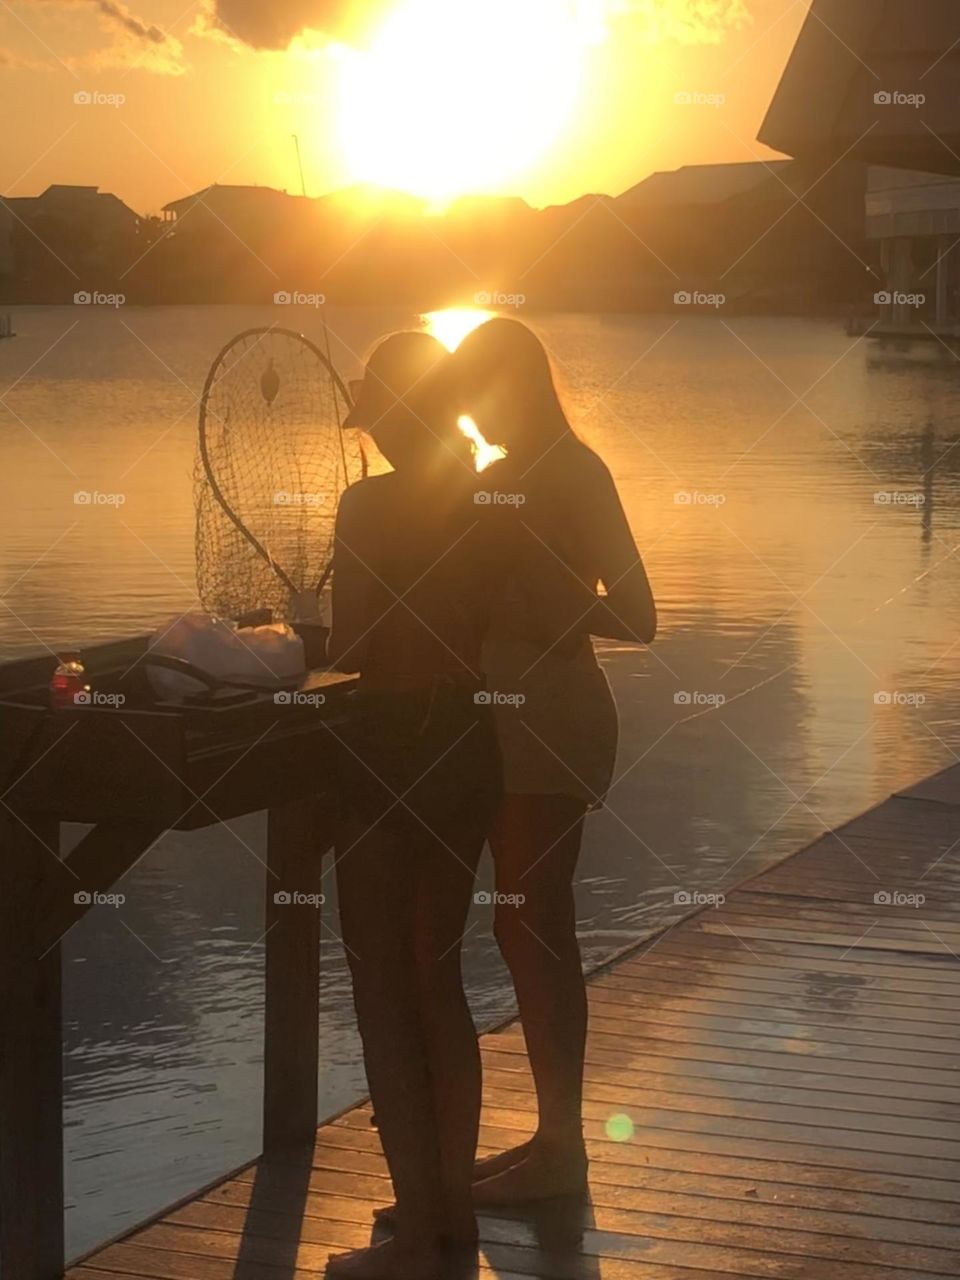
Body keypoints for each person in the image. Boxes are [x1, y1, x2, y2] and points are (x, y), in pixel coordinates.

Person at [448, 317, 657, 1204]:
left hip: (554, 723)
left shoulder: (577, 471)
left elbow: (641, 616)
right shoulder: (491, 482)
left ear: (513, 388)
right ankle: (550, 1144)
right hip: (500, 727)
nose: (469, 417)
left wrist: (560, 606)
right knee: (523, 925)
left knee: (533, 926)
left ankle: (562, 1153)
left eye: (475, 396)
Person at [324, 332, 501, 1280]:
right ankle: (449, 1217)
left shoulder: (369, 502)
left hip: (390, 740)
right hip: (471, 738)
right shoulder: (488, 494)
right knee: (441, 983)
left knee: (380, 988)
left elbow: (353, 639)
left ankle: (418, 1244)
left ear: (394, 413)